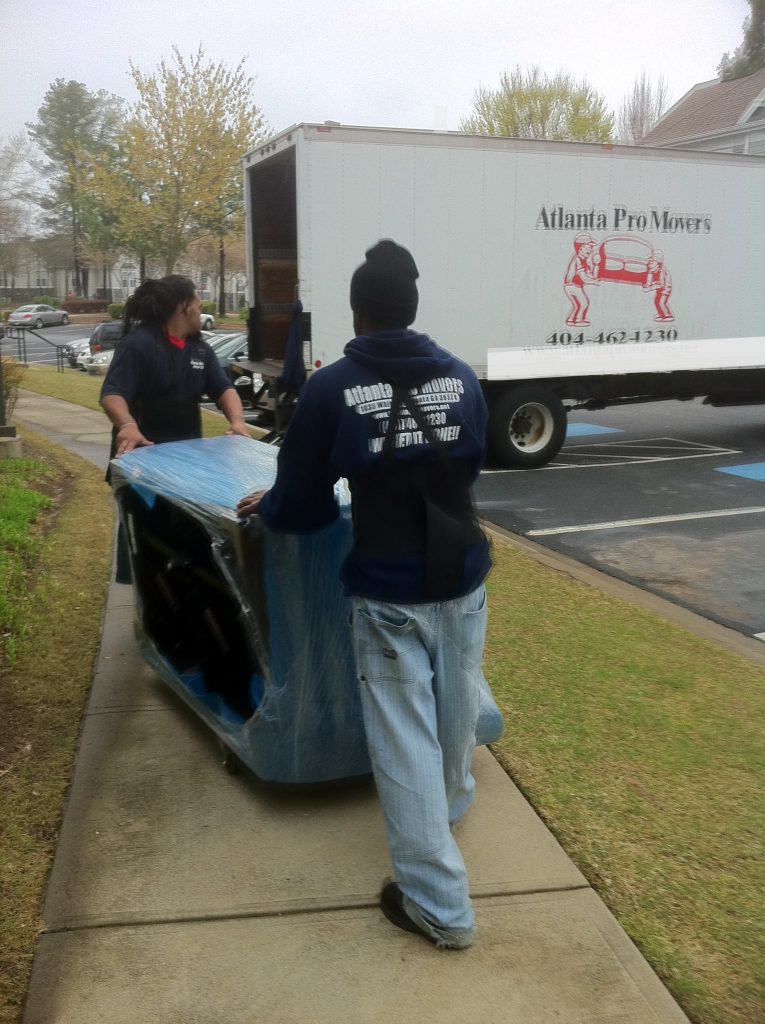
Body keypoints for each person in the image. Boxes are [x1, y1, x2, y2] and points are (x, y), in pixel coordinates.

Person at [237, 240, 495, 950]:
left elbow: (301, 504)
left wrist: (271, 507)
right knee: (454, 710)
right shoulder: (461, 378)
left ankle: (439, 908)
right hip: (463, 574)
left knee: (403, 739)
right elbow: (470, 463)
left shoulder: (331, 388)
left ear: (357, 313)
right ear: (412, 306)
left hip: (388, 591)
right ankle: (449, 808)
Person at [100, 274, 251, 580]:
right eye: (197, 301)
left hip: (186, 466)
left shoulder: (199, 348)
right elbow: (112, 394)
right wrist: (127, 424)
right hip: (143, 466)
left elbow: (224, 389)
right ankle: (146, 601)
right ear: (184, 306)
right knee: (146, 545)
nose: (200, 307)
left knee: (184, 540)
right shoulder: (139, 344)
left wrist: (237, 422)